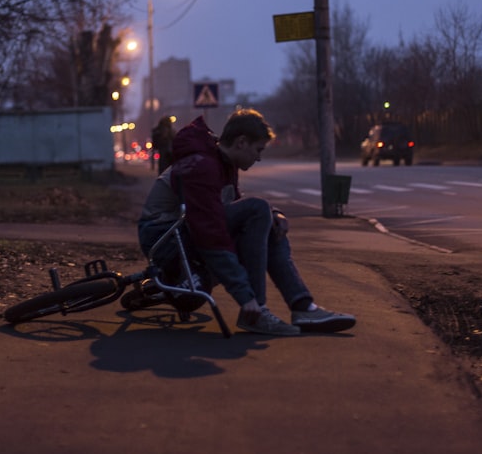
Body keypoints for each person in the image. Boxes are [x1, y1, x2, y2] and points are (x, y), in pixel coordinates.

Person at [136, 109, 356, 335]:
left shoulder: (222, 163)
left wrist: (274, 214)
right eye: (257, 150)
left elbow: (228, 211)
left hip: (182, 233)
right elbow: (209, 234)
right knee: (258, 209)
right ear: (241, 142)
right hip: (164, 239)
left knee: (268, 220)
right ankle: (257, 311)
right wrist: (245, 296)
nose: (258, 158)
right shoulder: (202, 166)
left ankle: (303, 307)